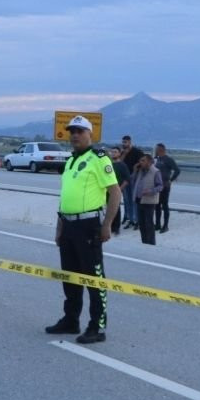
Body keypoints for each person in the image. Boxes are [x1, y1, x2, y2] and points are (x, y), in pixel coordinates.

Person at [45, 116, 121, 344]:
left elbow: (115, 192)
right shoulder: (70, 161)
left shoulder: (98, 158)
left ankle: (97, 326)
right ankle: (71, 320)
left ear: (90, 134)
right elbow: (66, 198)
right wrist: (59, 228)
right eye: (72, 131)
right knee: (70, 277)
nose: (75, 135)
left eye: (79, 131)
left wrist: (107, 224)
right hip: (68, 225)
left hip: (88, 226)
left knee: (93, 278)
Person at [131, 154, 163, 245]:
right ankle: (144, 242)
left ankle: (151, 243)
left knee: (148, 224)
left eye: (143, 160)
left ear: (149, 162)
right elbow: (132, 181)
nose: (140, 162)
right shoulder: (140, 171)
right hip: (139, 200)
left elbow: (160, 186)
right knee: (141, 224)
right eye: (140, 160)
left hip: (149, 201)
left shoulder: (156, 172)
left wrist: (151, 191)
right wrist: (135, 171)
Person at [153, 143, 180, 233]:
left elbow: (177, 170)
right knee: (157, 205)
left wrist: (170, 180)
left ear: (160, 150)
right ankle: (157, 224)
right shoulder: (157, 159)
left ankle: (165, 226)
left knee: (164, 205)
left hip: (165, 186)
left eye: (156, 149)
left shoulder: (168, 159)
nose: (155, 151)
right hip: (157, 186)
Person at [118, 135, 143, 229]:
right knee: (126, 200)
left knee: (133, 200)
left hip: (134, 179)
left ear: (130, 142)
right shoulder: (122, 152)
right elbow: (119, 162)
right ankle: (130, 219)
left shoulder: (137, 152)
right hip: (124, 179)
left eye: (126, 142)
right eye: (123, 142)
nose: (124, 144)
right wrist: (124, 154)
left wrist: (136, 167)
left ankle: (136, 220)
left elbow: (143, 161)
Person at [108, 148, 131, 235]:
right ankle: (109, 225)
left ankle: (116, 228)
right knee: (108, 208)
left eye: (115, 152)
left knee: (116, 208)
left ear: (119, 154)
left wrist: (119, 189)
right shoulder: (108, 164)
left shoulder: (122, 165)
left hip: (117, 190)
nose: (113, 153)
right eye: (112, 151)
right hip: (107, 190)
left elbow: (127, 179)